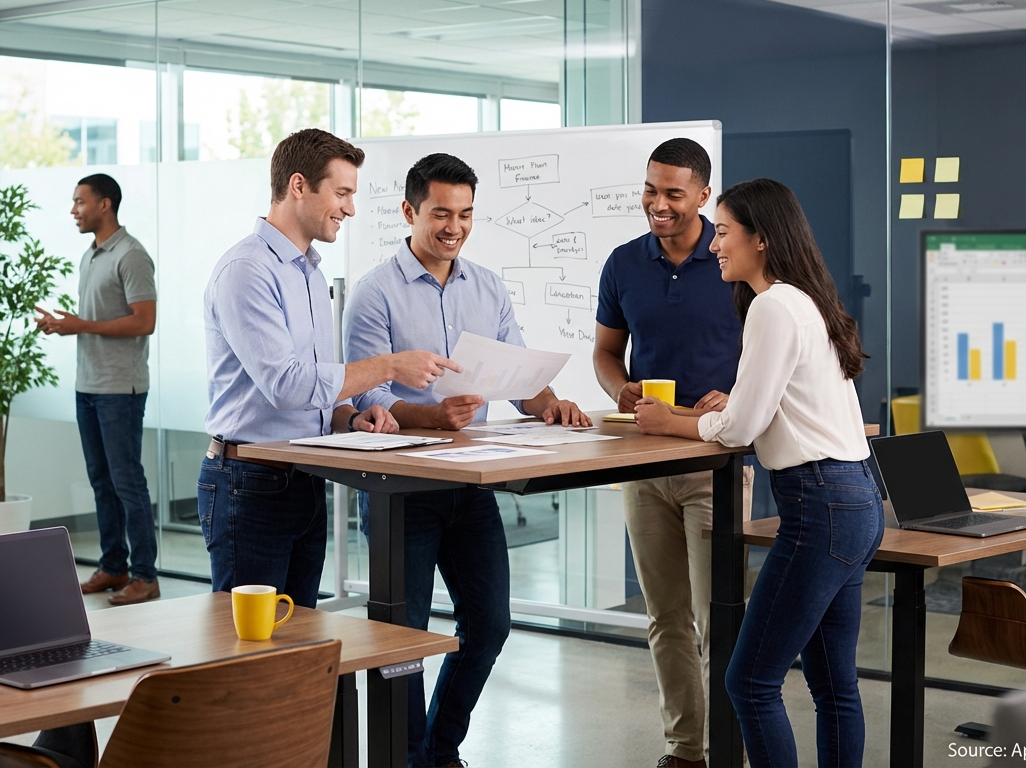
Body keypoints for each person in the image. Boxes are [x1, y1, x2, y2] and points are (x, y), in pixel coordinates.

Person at [344, 153, 591, 768]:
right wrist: (430, 415)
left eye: (465, 214)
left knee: (489, 625)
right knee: (402, 642)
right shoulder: (374, 293)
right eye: (440, 214)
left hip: (470, 484)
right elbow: (363, 395)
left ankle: (437, 748)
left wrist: (551, 402)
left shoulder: (486, 285)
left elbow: (513, 373)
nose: (454, 226)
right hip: (401, 486)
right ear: (410, 212)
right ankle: (404, 758)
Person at [634, 178, 882, 768]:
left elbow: (743, 430)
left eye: (722, 232)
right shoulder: (806, 299)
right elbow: (772, 406)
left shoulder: (772, 305)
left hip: (819, 508)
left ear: (761, 239)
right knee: (834, 688)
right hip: (855, 499)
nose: (713, 245)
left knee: (748, 681)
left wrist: (668, 421)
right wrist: (738, 402)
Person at [201, 128, 459, 609]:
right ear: (299, 186)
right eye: (341, 193)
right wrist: (388, 367)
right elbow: (287, 385)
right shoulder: (246, 272)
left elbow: (319, 388)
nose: (350, 208)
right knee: (251, 656)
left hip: (303, 474)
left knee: (298, 642)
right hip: (249, 482)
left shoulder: (310, 274)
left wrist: (350, 418)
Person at [591, 138, 751, 768]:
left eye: (673, 194)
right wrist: (617, 386)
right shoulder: (623, 264)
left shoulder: (733, 259)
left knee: (719, 620)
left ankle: (728, 750)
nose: (658, 204)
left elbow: (772, 359)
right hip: (643, 465)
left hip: (714, 466)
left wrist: (733, 395)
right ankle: (686, 752)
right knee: (666, 619)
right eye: (651, 190)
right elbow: (607, 352)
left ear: (704, 196)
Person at [36, 173, 159, 607]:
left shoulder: (132, 254)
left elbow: (145, 321)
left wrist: (81, 325)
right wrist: (65, 325)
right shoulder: (90, 255)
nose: (73, 210)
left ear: (104, 204)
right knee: (101, 481)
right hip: (87, 384)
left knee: (127, 482)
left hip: (118, 390)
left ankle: (146, 575)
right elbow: (97, 320)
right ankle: (114, 566)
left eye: (79, 202)